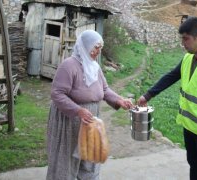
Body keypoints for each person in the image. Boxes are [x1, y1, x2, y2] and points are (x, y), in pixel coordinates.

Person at [137, 17, 197, 180]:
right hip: (189, 126)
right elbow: (171, 76)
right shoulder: (188, 58)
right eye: (182, 39)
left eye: (186, 39)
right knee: (194, 163)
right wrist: (148, 95)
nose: (183, 43)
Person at [46, 30, 133, 180]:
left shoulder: (94, 67)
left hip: (90, 120)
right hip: (70, 120)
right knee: (66, 160)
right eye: (95, 47)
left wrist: (119, 100)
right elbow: (57, 94)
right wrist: (78, 111)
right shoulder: (69, 66)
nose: (98, 52)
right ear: (85, 46)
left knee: (90, 157)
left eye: (100, 48)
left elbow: (104, 89)